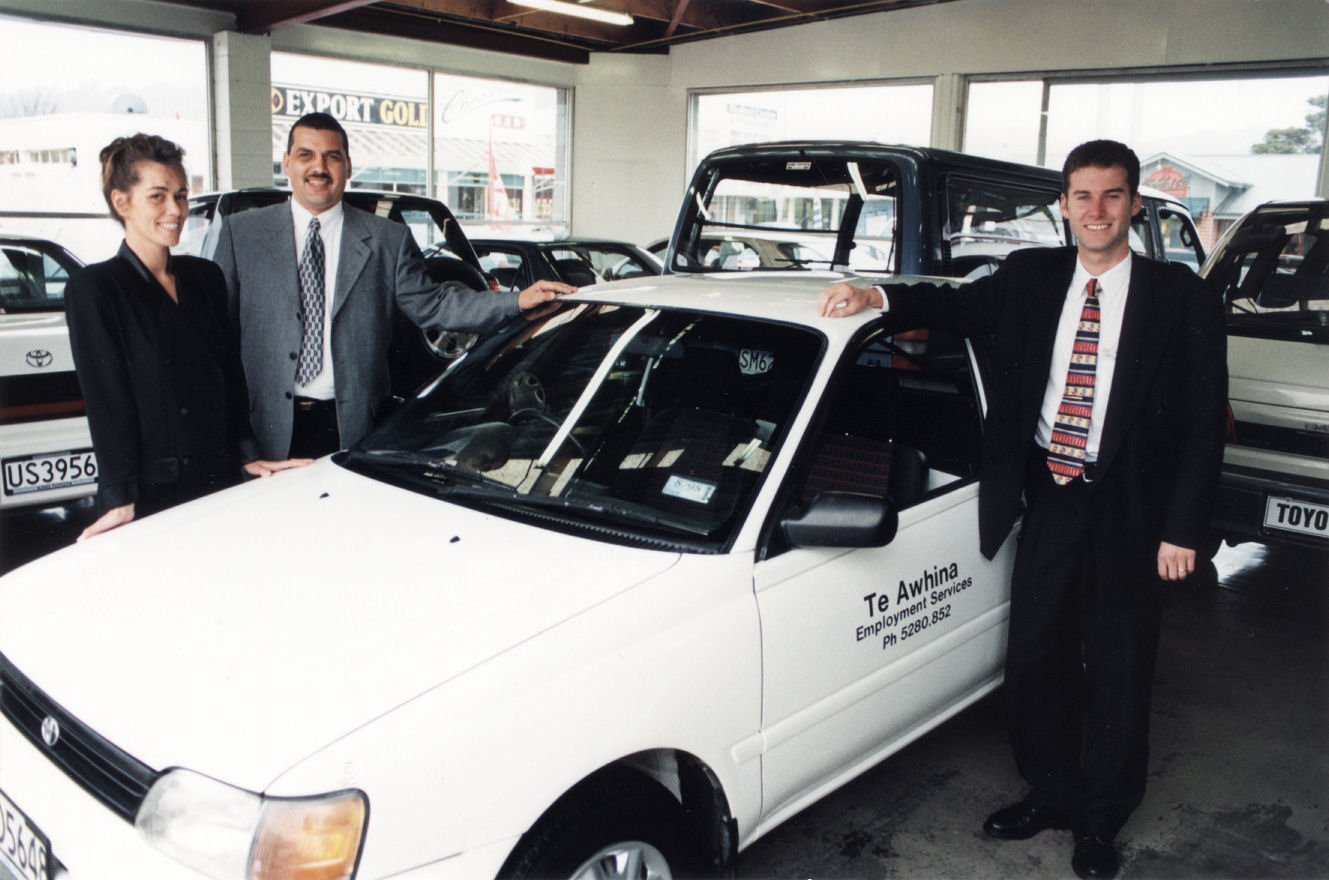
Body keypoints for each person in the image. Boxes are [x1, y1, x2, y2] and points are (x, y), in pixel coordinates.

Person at [818, 140, 1227, 879]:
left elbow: (1204, 422)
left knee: (1119, 666)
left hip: (1133, 506)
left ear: (1133, 205)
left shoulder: (1180, 296)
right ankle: (1050, 791)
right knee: (1037, 656)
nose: (1096, 211)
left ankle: (1099, 820)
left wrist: (1182, 529)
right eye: (1082, 196)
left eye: (1111, 195)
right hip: (1053, 495)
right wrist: (873, 294)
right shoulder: (1030, 275)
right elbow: (950, 304)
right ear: (1063, 205)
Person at [214, 112, 574, 460]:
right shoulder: (241, 234)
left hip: (354, 430)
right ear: (287, 162)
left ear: (347, 167)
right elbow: (219, 345)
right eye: (305, 155)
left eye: (332, 157)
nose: (319, 167)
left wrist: (517, 301)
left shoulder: (387, 239)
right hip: (265, 432)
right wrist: (239, 443)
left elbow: (436, 305)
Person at [66, 134, 310, 541]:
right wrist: (118, 497)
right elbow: (107, 404)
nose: (176, 210)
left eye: (180, 196)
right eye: (157, 197)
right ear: (121, 202)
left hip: (220, 480)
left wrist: (248, 455)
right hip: (154, 495)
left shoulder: (204, 278)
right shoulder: (96, 289)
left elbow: (230, 375)